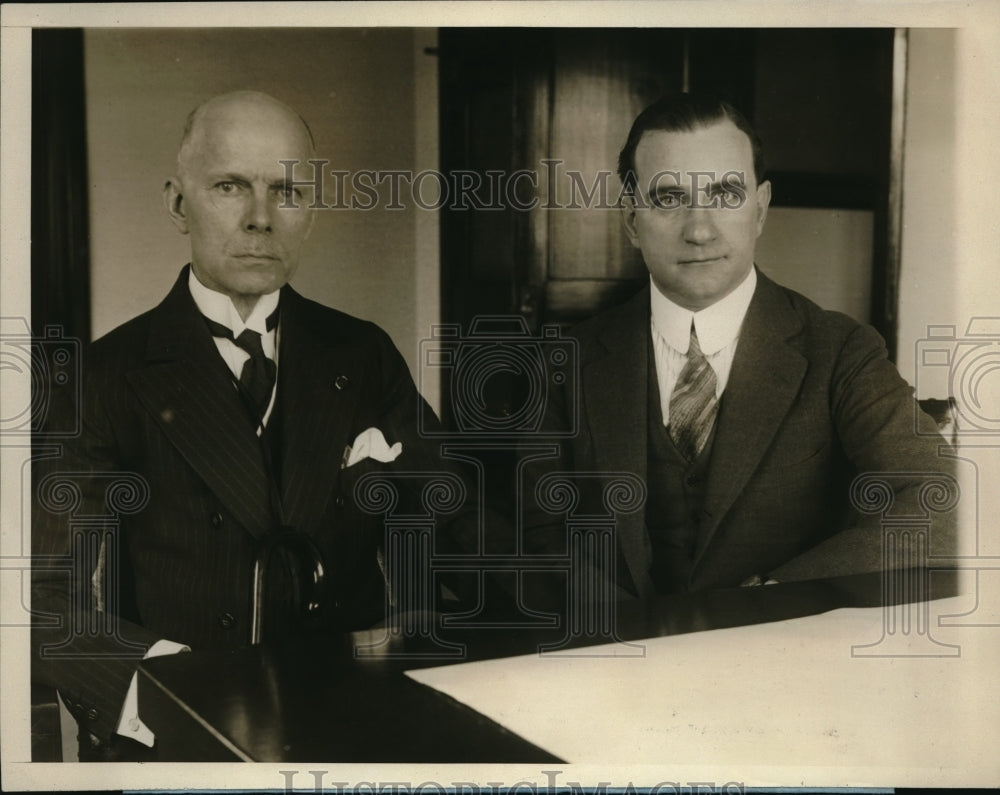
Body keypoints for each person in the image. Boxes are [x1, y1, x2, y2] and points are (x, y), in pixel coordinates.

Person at [31, 91, 465, 758]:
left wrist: (411, 633)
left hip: (347, 716)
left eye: (287, 190)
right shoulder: (99, 377)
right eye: (230, 186)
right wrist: (170, 685)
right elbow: (45, 600)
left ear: (311, 211)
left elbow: (451, 517)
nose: (261, 218)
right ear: (180, 203)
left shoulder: (362, 352)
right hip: (182, 729)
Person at [521, 93, 956, 605]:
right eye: (668, 198)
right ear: (632, 220)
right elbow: (537, 536)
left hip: (777, 661)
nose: (700, 230)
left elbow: (945, 505)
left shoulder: (841, 351)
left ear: (761, 209)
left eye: (726, 194)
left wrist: (774, 592)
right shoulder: (562, 362)